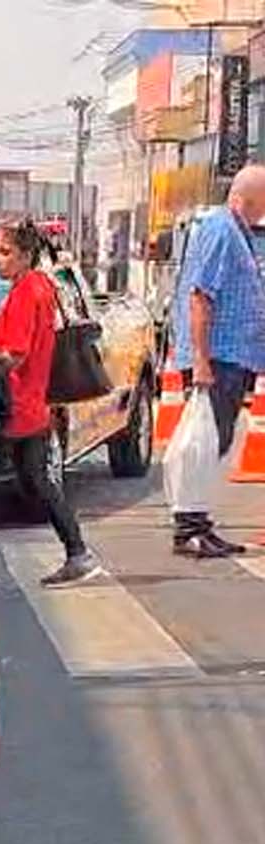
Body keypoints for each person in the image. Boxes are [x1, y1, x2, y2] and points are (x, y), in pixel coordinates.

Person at [0, 220, 103, 587]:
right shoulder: (37, 285)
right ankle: (78, 553)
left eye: (5, 252)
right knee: (35, 482)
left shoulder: (27, 291)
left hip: (16, 404)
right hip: (30, 403)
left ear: (26, 255)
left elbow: (15, 354)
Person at [165, 164, 265, 559]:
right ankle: (188, 528)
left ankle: (200, 524)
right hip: (218, 358)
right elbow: (200, 296)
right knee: (203, 442)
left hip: (233, 358)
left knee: (218, 441)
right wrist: (202, 360)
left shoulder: (236, 233)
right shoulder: (221, 230)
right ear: (249, 198)